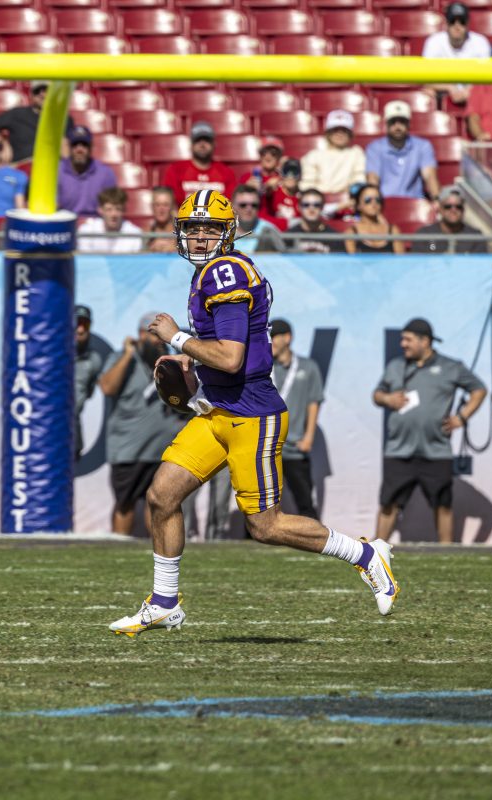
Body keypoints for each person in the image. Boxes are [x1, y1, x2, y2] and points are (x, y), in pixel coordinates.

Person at [108, 189, 400, 639]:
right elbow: (222, 357)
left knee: (264, 526)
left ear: (227, 233)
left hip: (252, 416)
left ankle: (365, 555)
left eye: (209, 228)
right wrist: (192, 363)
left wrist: (178, 339)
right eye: (193, 227)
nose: (200, 236)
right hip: (218, 410)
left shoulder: (224, 271)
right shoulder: (214, 271)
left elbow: (229, 357)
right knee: (162, 496)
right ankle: (164, 602)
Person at [372, 318, 487, 545]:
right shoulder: (396, 366)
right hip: (398, 449)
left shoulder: (450, 367)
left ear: (425, 341)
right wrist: (387, 398)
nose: (403, 344)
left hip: (436, 450)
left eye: (408, 339)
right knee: (388, 504)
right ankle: (375, 554)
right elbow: (377, 394)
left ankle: (446, 552)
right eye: (402, 339)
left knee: (442, 505)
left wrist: (461, 417)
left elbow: (479, 390)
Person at [97, 313, 186, 535]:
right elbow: (107, 388)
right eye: (153, 334)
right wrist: (128, 354)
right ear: (141, 335)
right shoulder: (123, 358)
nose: (159, 340)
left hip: (163, 451)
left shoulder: (170, 360)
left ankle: (156, 551)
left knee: (158, 502)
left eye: (161, 335)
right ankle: (118, 553)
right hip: (129, 450)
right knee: (125, 504)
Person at [270, 320, 324, 520]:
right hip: (266, 445)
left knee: (306, 503)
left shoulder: (308, 367)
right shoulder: (263, 366)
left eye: (274, 336)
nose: (270, 341)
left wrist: (308, 436)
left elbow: (314, 402)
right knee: (258, 505)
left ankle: (314, 542)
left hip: (294, 446)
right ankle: (251, 546)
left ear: (287, 338)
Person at [0, 81, 75, 164]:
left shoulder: (63, 118)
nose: (42, 95)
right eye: (37, 91)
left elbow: (68, 147)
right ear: (31, 95)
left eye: (46, 90)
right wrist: (3, 141)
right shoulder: (17, 114)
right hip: (21, 167)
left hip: (51, 167)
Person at [421, 3, 492, 107]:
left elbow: (487, 77)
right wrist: (450, 88)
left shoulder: (480, 42)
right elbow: (425, 79)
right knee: (427, 93)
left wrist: (469, 90)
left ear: (468, 23)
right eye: (452, 21)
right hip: (442, 94)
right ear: (446, 23)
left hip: (474, 93)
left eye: (462, 21)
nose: (457, 26)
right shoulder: (434, 41)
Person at [366, 101, 439, 201]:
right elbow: (373, 179)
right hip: (384, 202)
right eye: (393, 122)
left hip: (414, 203)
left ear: (409, 124)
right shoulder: (374, 148)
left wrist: (436, 200)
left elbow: (430, 176)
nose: (397, 126)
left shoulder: (422, 146)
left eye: (402, 122)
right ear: (386, 124)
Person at [162, 121, 239, 204]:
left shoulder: (226, 172)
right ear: (191, 144)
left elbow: (231, 204)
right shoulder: (176, 170)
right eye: (198, 140)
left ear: (214, 144)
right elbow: (171, 204)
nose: (202, 144)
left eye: (207, 140)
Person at [301, 110, 366, 200]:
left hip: (348, 201)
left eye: (344, 130)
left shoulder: (356, 153)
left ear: (350, 134)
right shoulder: (313, 156)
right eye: (335, 130)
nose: (340, 134)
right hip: (317, 204)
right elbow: (307, 185)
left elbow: (359, 180)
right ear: (328, 133)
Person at [57, 126, 117, 217]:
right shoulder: (57, 172)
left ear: (91, 147)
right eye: (75, 145)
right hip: (65, 224)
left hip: (95, 225)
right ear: (69, 147)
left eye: (84, 145)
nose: (79, 149)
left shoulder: (105, 173)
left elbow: (112, 208)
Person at [412, 187, 487, 253]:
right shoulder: (427, 236)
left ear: (463, 210)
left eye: (458, 206)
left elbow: (478, 266)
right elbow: (420, 264)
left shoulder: (475, 237)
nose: (453, 210)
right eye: (448, 206)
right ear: (440, 209)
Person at [74, 305, 104, 461]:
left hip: (73, 432)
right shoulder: (49, 356)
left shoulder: (94, 360)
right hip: (45, 428)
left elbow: (88, 392)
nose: (80, 330)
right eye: (76, 323)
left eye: (85, 324)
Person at [77, 187, 143, 254]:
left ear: (124, 210)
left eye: (118, 209)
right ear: (100, 210)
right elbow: (85, 261)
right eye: (109, 209)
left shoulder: (134, 233)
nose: (114, 214)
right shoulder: (86, 231)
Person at [347, 184, 404, 254]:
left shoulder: (393, 231)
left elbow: (401, 262)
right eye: (367, 200)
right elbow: (352, 262)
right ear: (358, 205)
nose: (374, 203)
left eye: (378, 200)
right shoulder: (351, 233)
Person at [230, 184, 285, 253]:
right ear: (232, 206)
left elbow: (283, 259)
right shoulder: (223, 231)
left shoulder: (269, 230)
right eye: (243, 205)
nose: (249, 209)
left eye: (254, 205)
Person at [288, 189, 346, 253]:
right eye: (306, 205)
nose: (311, 209)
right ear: (299, 207)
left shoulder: (335, 238)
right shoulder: (288, 237)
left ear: (322, 207)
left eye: (316, 205)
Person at [265, 158, 302, 223]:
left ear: (300, 176)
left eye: (295, 172)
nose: (290, 176)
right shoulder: (273, 192)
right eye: (286, 171)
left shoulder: (303, 198)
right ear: (281, 174)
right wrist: (266, 187)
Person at [145, 186, 176, 253]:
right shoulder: (145, 234)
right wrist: (150, 250)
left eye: (166, 205)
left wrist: (175, 251)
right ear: (152, 207)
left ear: (172, 206)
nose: (161, 209)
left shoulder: (183, 233)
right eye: (157, 205)